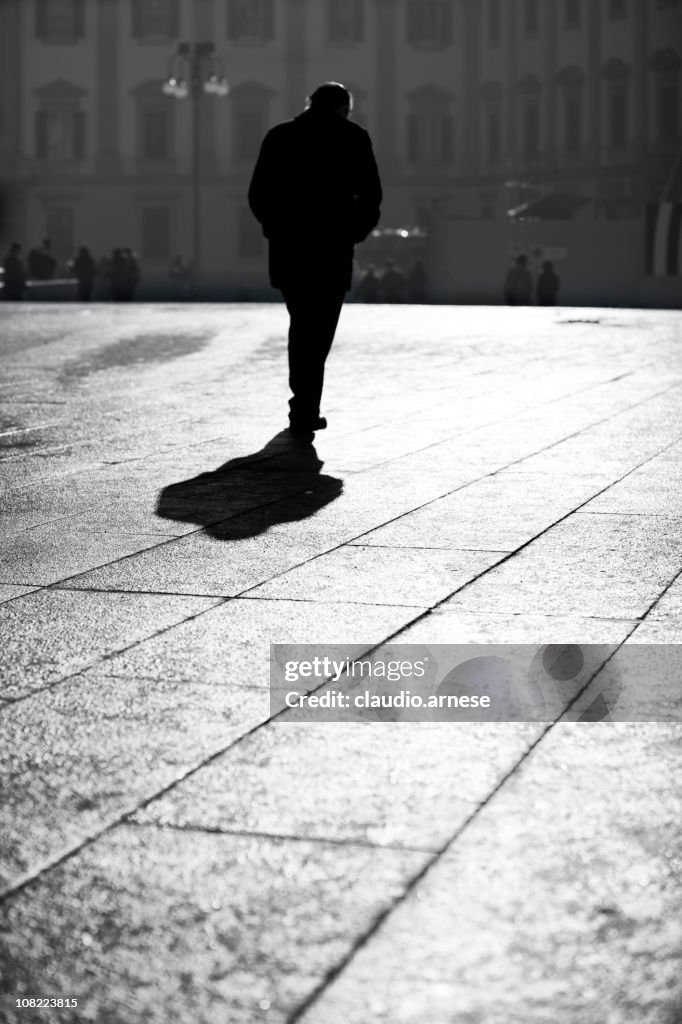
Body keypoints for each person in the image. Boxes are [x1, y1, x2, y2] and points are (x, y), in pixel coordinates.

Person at [248, 81, 383, 437]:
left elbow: (258, 194)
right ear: (343, 109)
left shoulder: (280, 137)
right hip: (332, 248)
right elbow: (371, 197)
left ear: (310, 105)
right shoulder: (353, 137)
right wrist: (353, 232)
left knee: (301, 324)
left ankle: (303, 404)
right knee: (320, 329)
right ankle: (305, 406)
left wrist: (275, 228)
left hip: (290, 249)